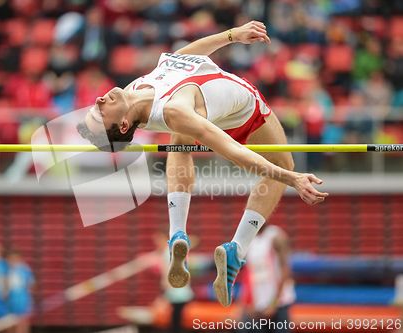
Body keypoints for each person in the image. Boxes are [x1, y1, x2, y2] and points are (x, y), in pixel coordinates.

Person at [77, 20, 328, 307]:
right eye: (100, 112)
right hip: (244, 108)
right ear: (123, 124)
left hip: (198, 103)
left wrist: (233, 35)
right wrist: (290, 178)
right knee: (283, 162)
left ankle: (177, 236)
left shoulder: (136, 88)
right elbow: (230, 149)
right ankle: (237, 250)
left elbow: (185, 56)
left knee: (178, 141)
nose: (98, 99)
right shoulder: (174, 111)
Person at [237, 223, 295, 333]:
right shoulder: (249, 239)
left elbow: (285, 271)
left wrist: (273, 304)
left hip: (278, 303)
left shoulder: (275, 236)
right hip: (257, 304)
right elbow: (248, 274)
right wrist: (246, 303)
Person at [153, 231, 194, 333]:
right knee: (176, 317)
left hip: (175, 290)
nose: (156, 242)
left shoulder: (167, 252)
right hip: (179, 289)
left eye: (158, 239)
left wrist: (164, 291)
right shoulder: (172, 251)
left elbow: (167, 272)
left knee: (175, 318)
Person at [6, 251, 35, 333]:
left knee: (23, 322)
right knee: (10, 323)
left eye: (15, 259)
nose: (13, 261)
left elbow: (32, 284)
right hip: (10, 301)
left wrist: (28, 294)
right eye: (11, 259)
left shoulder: (25, 269)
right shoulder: (6, 270)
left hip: (23, 300)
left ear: (20, 259)